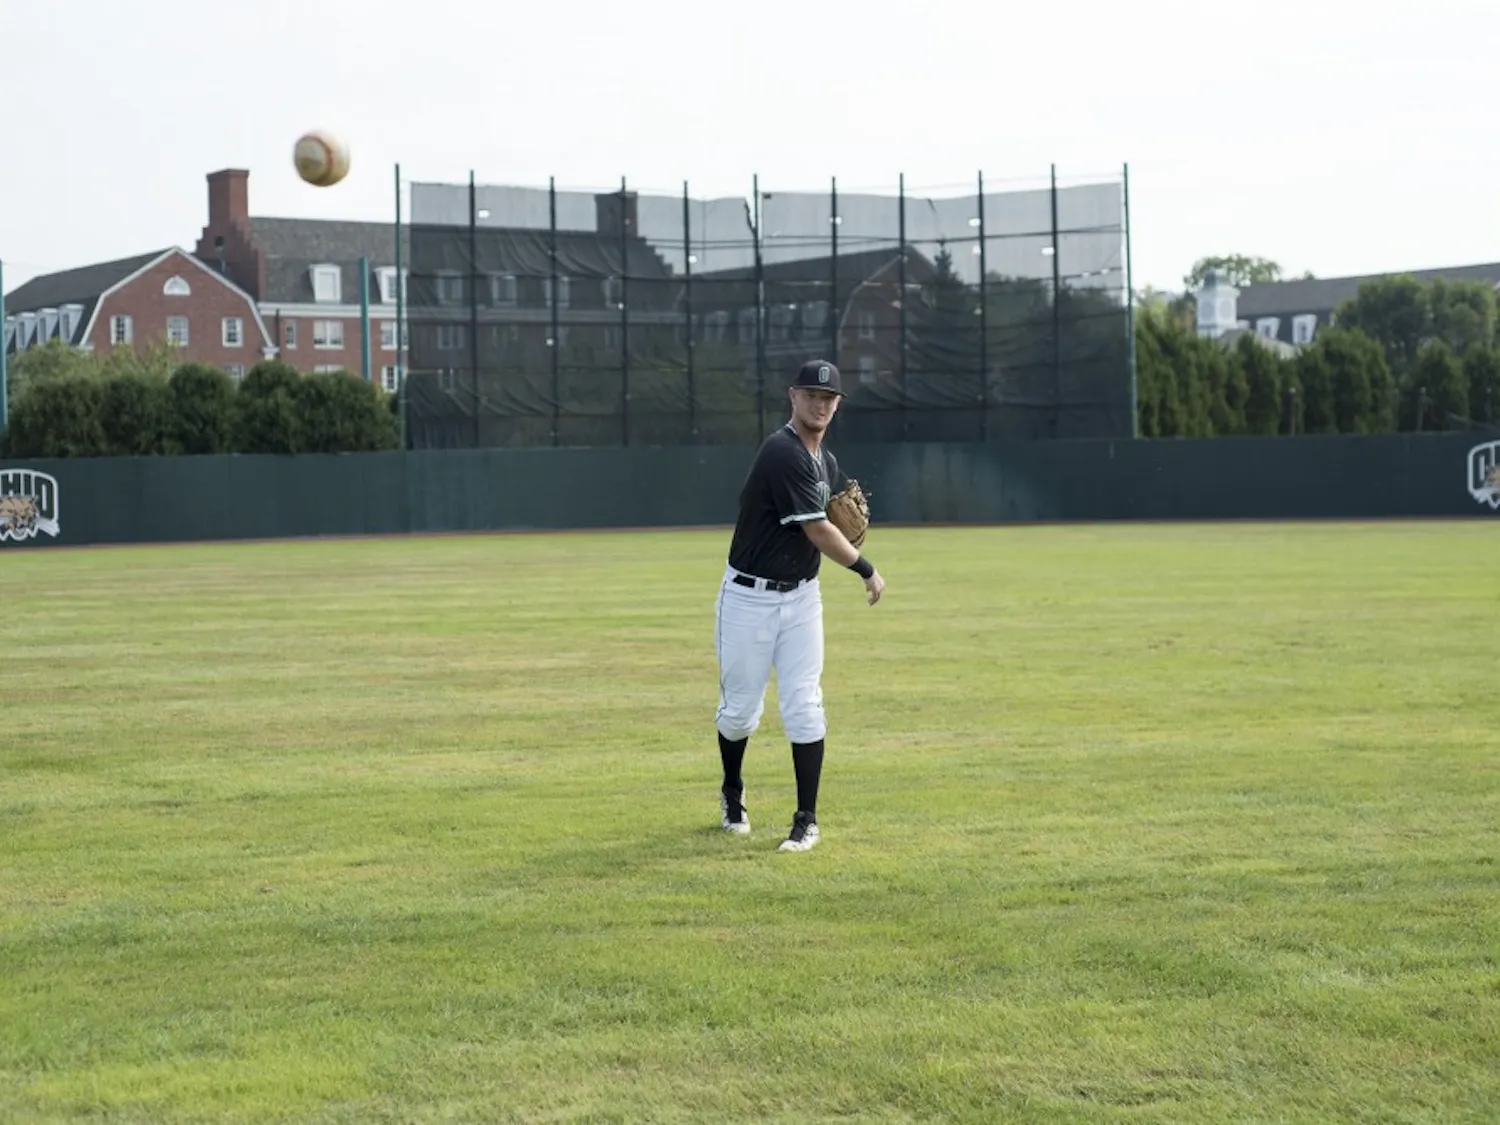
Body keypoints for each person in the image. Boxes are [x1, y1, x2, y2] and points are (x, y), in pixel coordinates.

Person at [712, 358, 885, 852]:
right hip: (747, 598)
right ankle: (732, 791)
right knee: (740, 712)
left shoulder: (824, 463)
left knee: (804, 705)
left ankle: (806, 820)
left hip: (802, 599)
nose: (821, 405)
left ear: (837, 406)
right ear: (793, 397)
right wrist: (865, 568)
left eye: (829, 398)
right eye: (812, 395)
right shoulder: (781, 452)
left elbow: (839, 512)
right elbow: (817, 529)